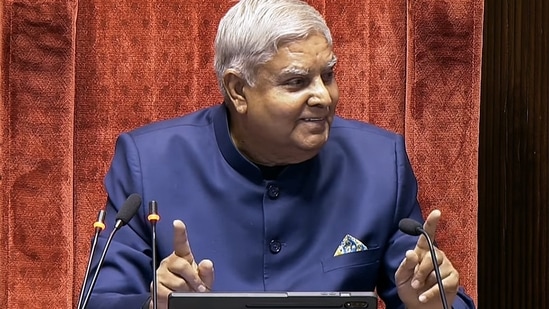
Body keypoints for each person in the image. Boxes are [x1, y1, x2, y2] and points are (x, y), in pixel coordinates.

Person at [85, 0, 476, 308]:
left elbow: (422, 287)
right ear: (238, 90)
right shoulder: (148, 163)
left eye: (328, 75)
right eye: (296, 81)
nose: (323, 96)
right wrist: (154, 306)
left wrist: (429, 301)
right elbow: (102, 300)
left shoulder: (380, 163)